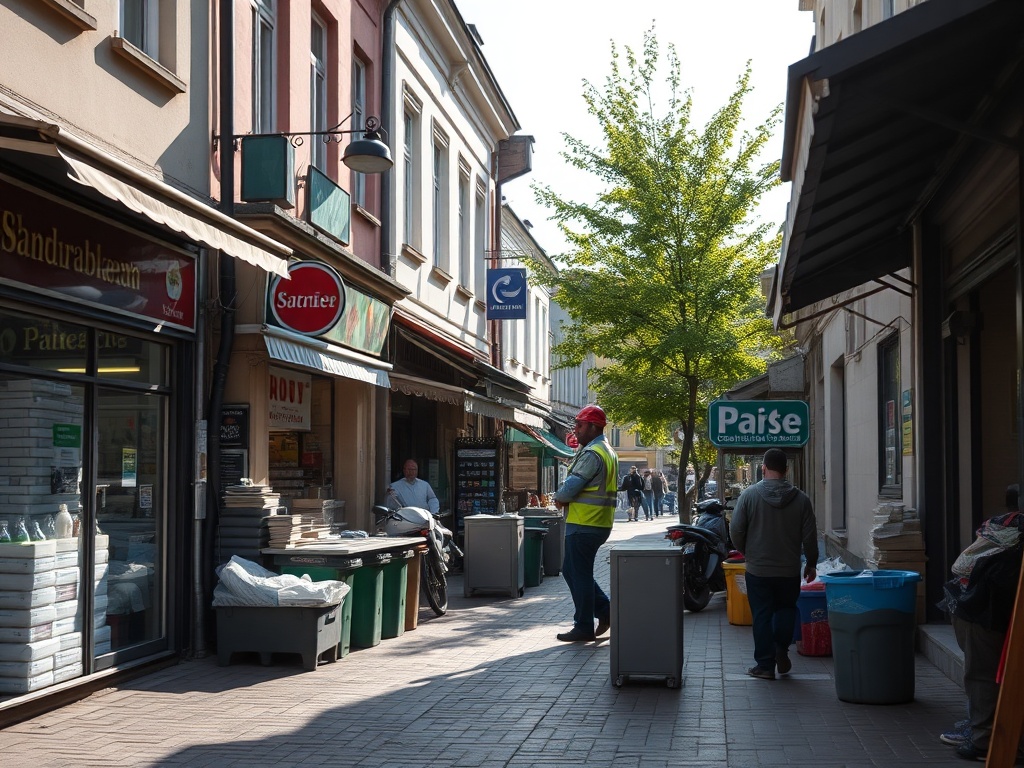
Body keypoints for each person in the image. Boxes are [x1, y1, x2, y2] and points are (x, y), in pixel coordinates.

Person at [939, 484, 1024, 762]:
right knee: (985, 675)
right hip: (987, 611)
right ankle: (984, 736)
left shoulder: (999, 527)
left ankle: (983, 734)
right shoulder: (1014, 532)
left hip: (977, 610)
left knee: (982, 675)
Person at [730, 448, 818, 680]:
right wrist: (811, 563)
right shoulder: (801, 499)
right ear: (786, 470)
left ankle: (765, 665)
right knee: (786, 610)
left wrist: (746, 551)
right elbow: (810, 537)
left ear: (763, 468)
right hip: (789, 569)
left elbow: (736, 530)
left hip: (758, 569)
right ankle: (781, 649)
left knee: (761, 615)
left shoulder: (749, 496)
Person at [552, 404, 617, 642]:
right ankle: (606, 612)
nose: (576, 430)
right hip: (598, 523)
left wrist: (559, 497)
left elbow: (571, 487)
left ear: (592, 427)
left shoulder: (592, 453)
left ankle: (584, 626)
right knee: (574, 571)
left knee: (577, 573)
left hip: (584, 524)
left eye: (579, 425)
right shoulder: (607, 450)